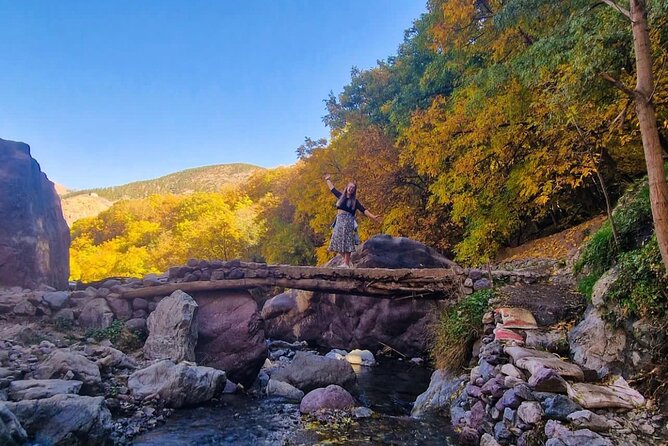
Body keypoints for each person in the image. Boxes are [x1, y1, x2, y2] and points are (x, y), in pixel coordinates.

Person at [324, 174, 379, 268]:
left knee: (347, 241)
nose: (351, 189)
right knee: (336, 241)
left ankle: (346, 263)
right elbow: (332, 189)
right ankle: (348, 262)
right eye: (350, 187)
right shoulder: (341, 196)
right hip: (339, 221)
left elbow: (363, 210)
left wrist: (373, 216)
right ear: (347, 188)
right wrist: (328, 180)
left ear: (354, 190)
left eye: (353, 188)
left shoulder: (355, 201)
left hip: (348, 221)